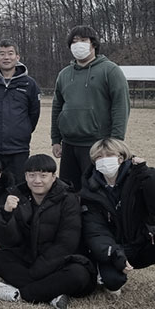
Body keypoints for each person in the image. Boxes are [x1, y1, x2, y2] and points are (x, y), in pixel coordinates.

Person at [0, 154, 96, 309]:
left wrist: (37, 271)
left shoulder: (68, 199)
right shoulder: (17, 196)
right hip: (29, 256)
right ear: (25, 176)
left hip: (59, 261)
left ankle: (20, 294)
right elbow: (11, 241)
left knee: (79, 275)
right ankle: (51, 293)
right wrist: (6, 215)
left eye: (43, 175)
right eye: (32, 175)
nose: (37, 180)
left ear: (53, 177)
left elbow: (67, 243)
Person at [80, 138, 155, 303]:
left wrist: (149, 174)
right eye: (98, 157)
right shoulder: (89, 191)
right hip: (116, 249)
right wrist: (114, 254)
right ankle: (103, 272)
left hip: (145, 241)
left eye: (109, 154)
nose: (104, 159)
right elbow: (96, 231)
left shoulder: (140, 176)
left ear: (121, 157)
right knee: (113, 282)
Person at [51, 25, 130, 191]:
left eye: (83, 40)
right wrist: (55, 140)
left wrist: (115, 142)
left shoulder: (110, 70)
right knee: (68, 191)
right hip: (69, 145)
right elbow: (57, 106)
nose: (78, 44)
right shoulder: (64, 74)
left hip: (97, 145)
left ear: (93, 44)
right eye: (74, 41)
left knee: (95, 191)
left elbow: (120, 106)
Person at [0, 39, 40, 183]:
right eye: (2, 54)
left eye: (10, 53)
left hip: (19, 148)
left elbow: (34, 114)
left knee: (18, 188)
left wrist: (23, 130)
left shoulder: (29, 84)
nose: (6, 57)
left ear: (17, 57)